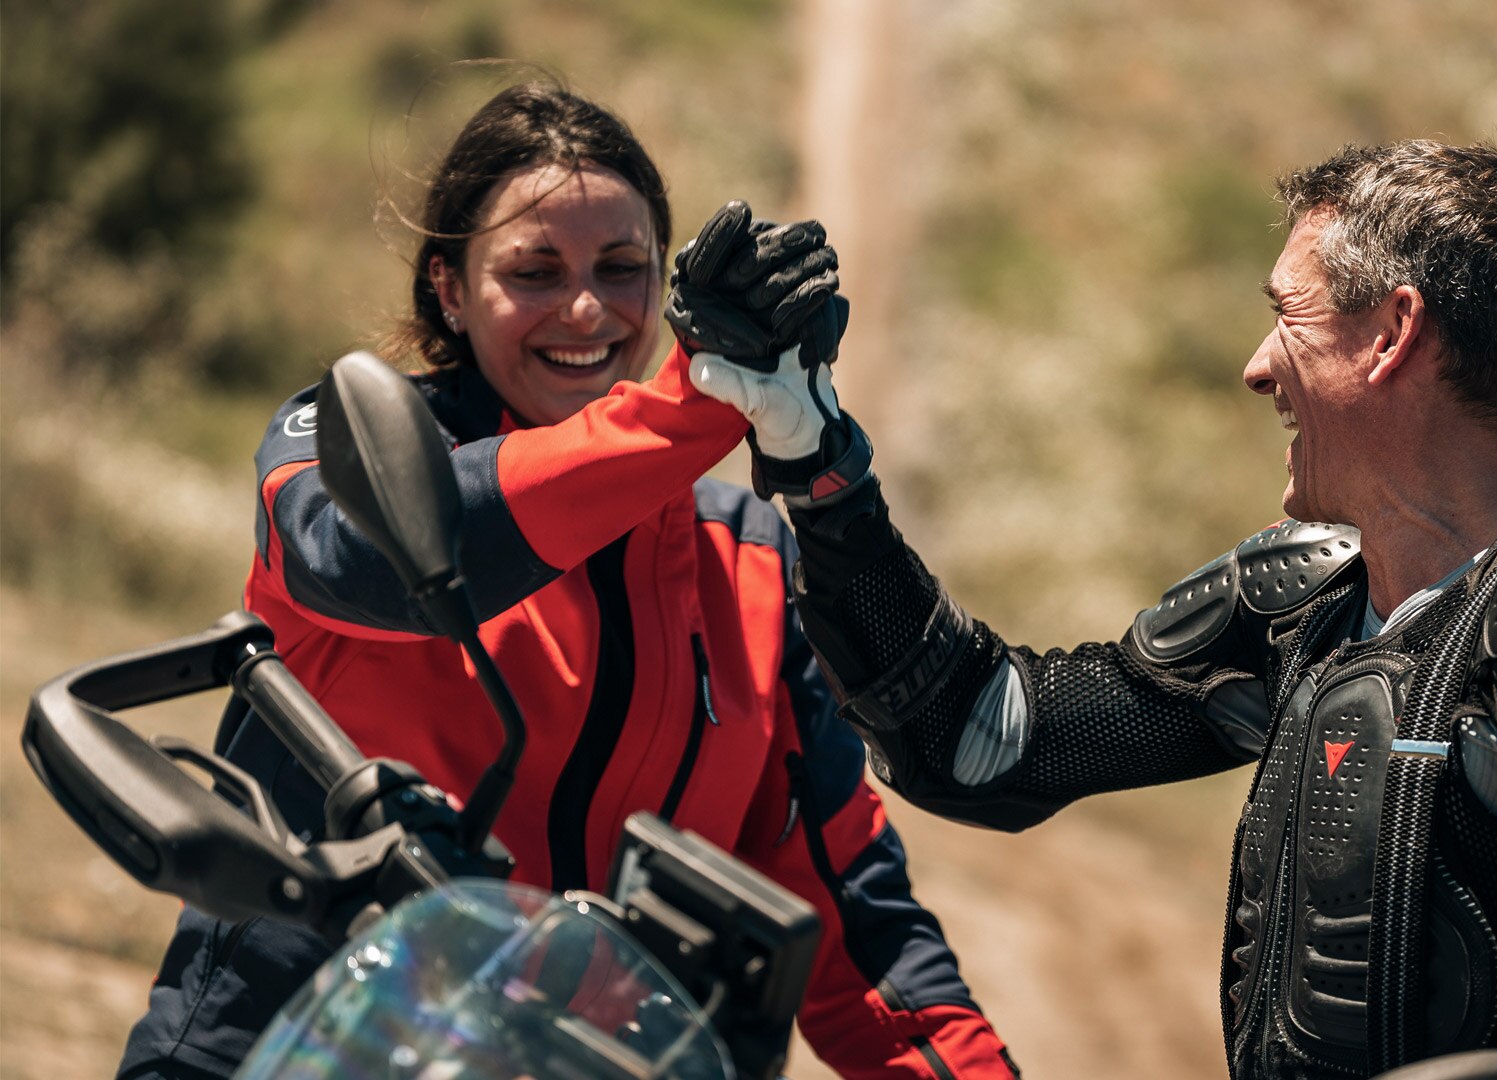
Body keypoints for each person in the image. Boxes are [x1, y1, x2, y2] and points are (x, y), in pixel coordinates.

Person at [680, 141, 1497, 1079]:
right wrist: (811, 452)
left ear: (1392, 334)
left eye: (1287, 315)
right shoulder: (1305, 601)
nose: (1256, 368)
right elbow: (977, 737)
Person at [116, 82, 1017, 1080]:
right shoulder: (350, 445)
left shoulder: (755, 564)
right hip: (285, 1055)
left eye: (623, 268)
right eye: (534, 272)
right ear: (450, 288)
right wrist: (697, 405)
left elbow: (867, 943)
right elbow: (362, 558)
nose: (586, 308)